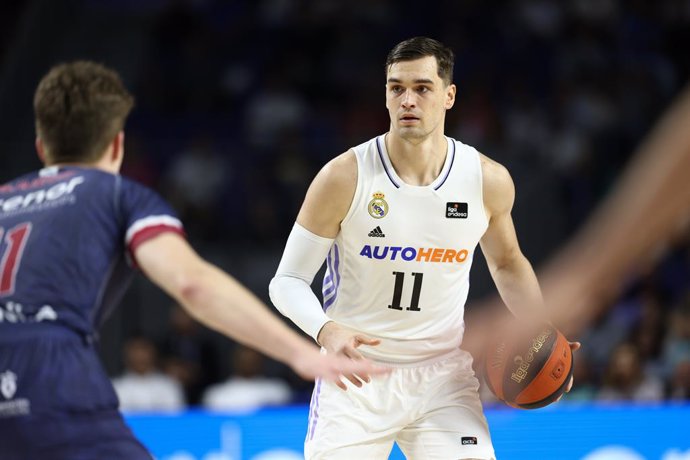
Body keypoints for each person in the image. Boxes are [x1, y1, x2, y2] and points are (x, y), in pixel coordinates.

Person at [0, 61, 386, 460]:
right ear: (117, 145)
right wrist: (299, 353)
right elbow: (191, 284)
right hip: (48, 368)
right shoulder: (117, 195)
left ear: (41, 148)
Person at [269, 36, 578, 460]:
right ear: (385, 95)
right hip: (355, 380)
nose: (408, 100)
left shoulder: (486, 180)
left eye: (422, 88)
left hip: (442, 376)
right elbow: (286, 281)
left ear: (449, 96)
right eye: (396, 88)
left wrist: (542, 328)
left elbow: (507, 263)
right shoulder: (343, 177)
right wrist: (326, 330)